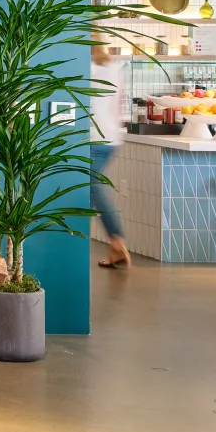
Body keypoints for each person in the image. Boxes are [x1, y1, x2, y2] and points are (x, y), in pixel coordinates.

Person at [91, 40, 131, 269]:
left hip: (93, 138)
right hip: (110, 137)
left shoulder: (86, 66)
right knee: (87, 190)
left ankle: (116, 240)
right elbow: (118, 105)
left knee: (91, 185)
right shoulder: (112, 66)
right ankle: (115, 247)